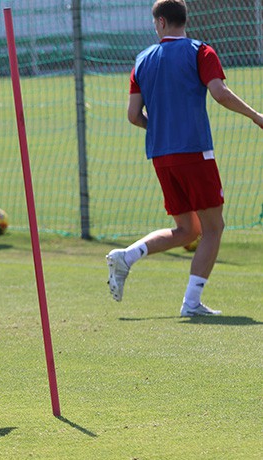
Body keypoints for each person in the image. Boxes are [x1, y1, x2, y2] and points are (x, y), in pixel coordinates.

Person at [107, 0, 263, 317]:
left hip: (161, 156)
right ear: (182, 20)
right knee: (214, 228)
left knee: (187, 230)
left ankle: (127, 256)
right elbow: (219, 92)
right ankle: (191, 303)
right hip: (194, 151)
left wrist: (161, 126)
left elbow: (134, 116)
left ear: (161, 23)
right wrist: (255, 115)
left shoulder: (142, 59)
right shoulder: (200, 51)